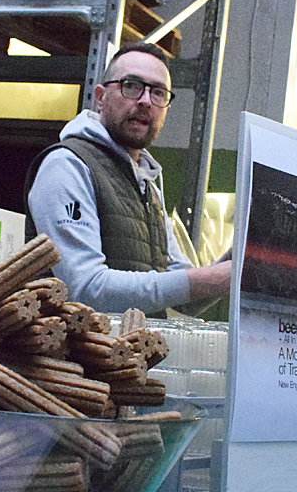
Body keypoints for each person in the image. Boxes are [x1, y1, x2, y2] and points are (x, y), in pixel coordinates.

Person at [25, 42, 231, 316]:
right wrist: (216, 277)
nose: (145, 101)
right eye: (131, 86)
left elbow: (184, 298)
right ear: (101, 97)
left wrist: (241, 262)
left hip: (132, 344)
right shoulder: (68, 165)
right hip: (74, 344)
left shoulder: (147, 184)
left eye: (158, 92)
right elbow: (85, 289)